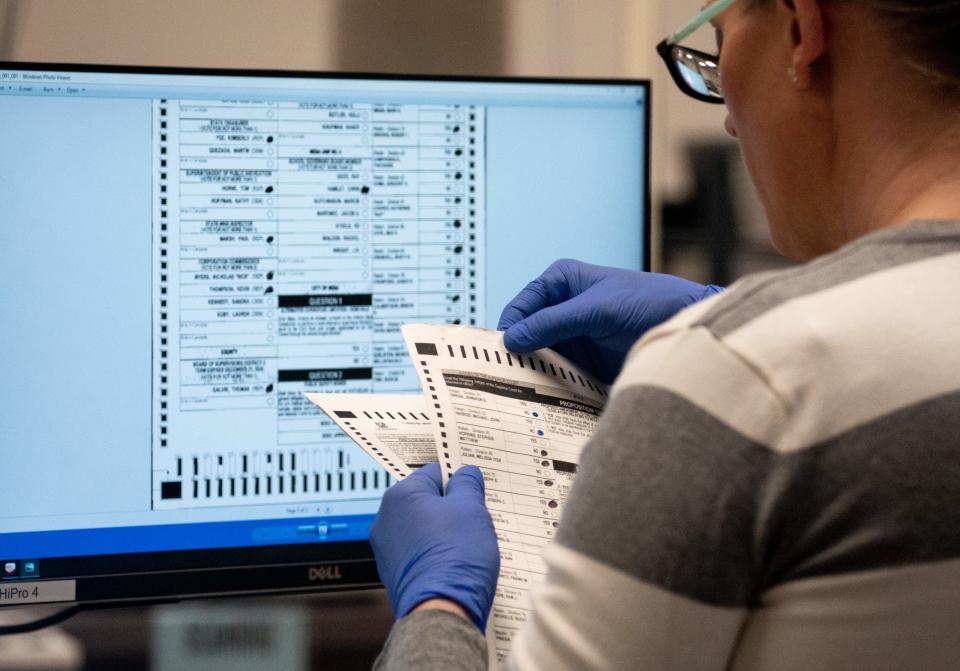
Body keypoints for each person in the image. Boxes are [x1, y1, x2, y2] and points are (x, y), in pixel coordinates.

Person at [370, 0, 960, 668]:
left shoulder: (740, 379)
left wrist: (436, 609)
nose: (731, 120)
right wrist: (730, 313)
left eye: (717, 43)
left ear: (802, 28)